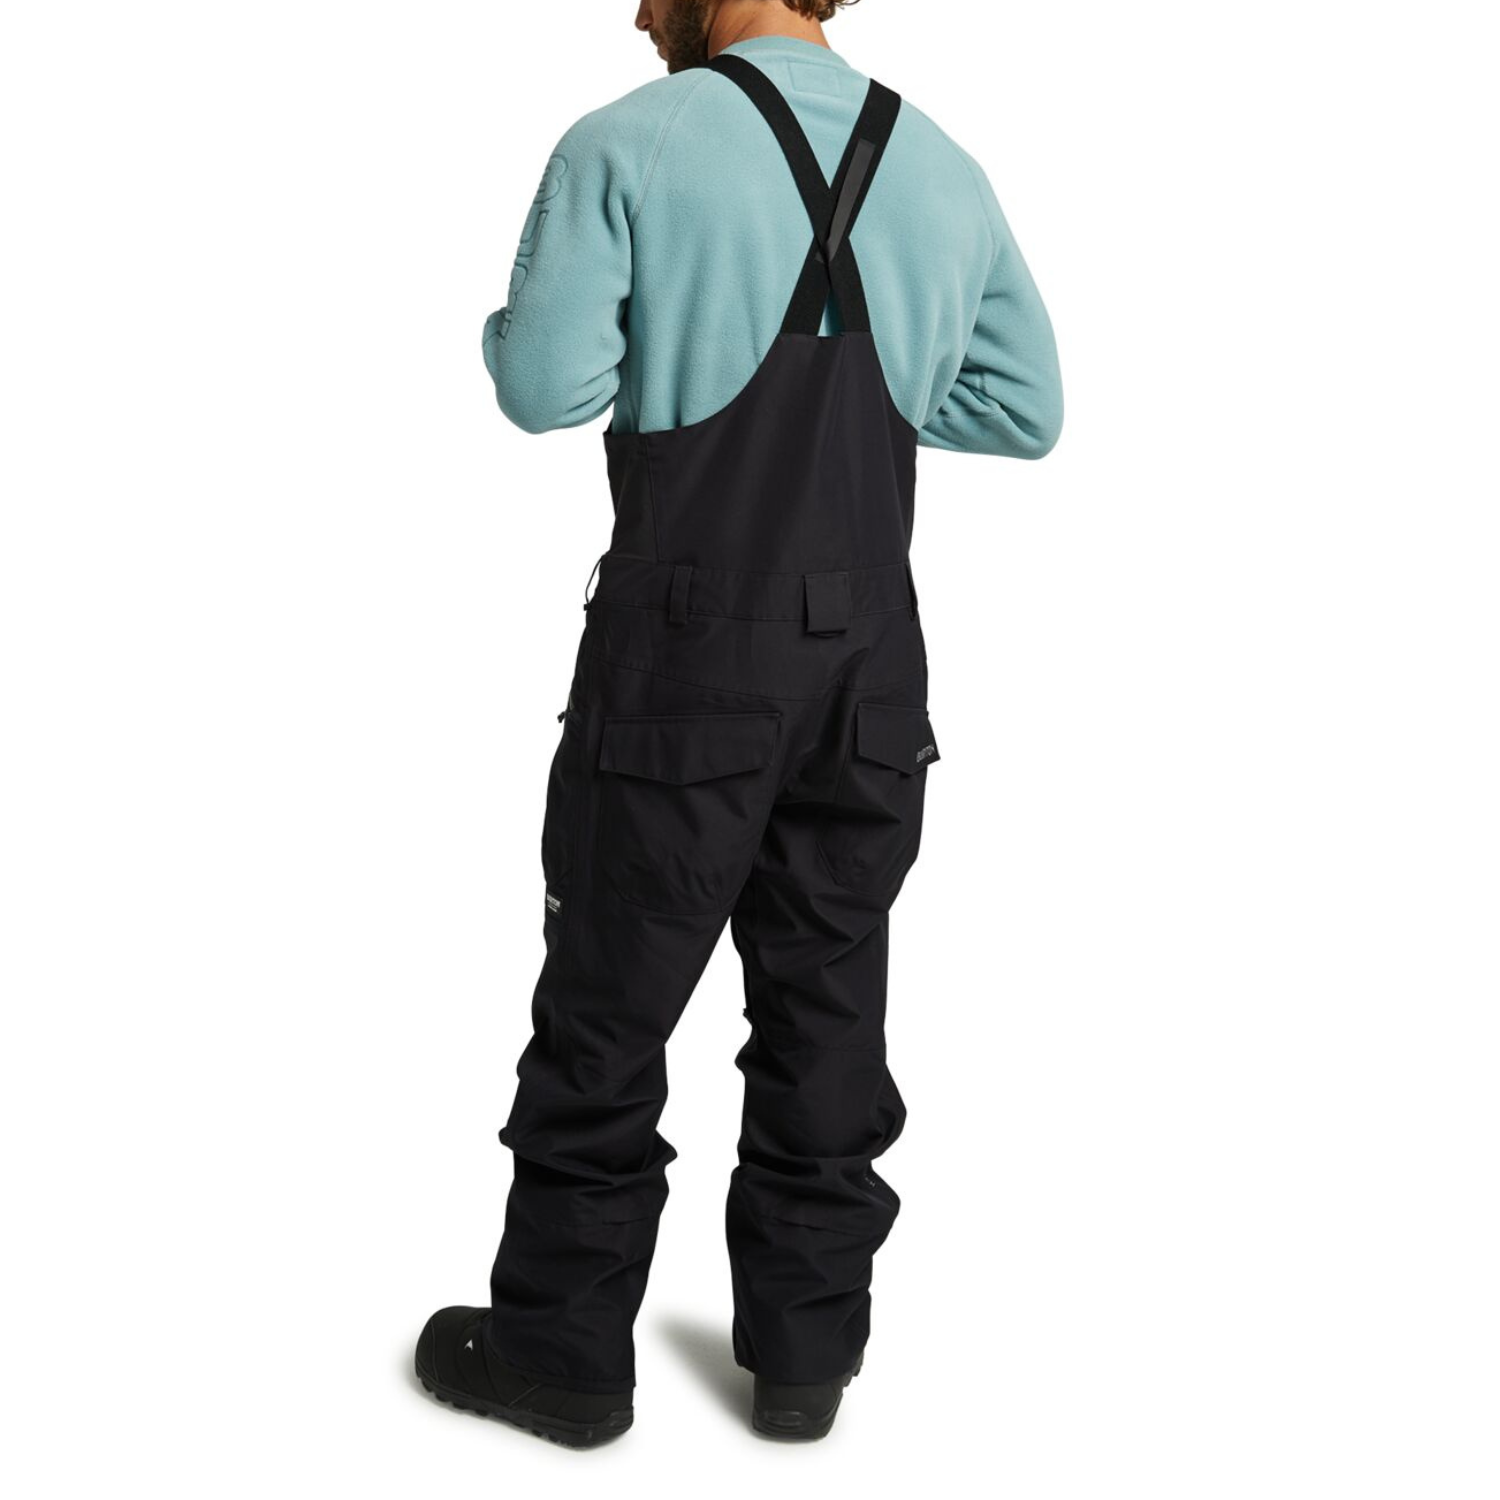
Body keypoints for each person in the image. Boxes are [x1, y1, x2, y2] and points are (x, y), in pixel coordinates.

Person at [416, 0, 1062, 1447]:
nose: (638, 11)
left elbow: (542, 389)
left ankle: (563, 1356)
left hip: (686, 659)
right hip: (872, 670)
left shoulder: (628, 143)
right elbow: (1027, 407)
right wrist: (898, 365)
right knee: (829, 1006)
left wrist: (579, 334)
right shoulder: (943, 165)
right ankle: (804, 1359)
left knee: (608, 1008)